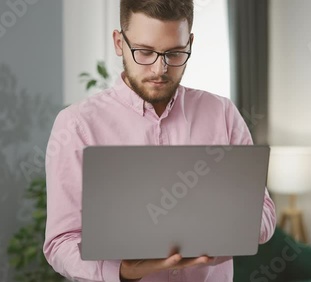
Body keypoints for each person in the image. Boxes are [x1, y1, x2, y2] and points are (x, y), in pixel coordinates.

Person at [43, 0, 276, 281]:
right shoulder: (77, 124)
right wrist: (123, 272)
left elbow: (264, 213)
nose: (159, 69)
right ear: (119, 42)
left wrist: (227, 233)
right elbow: (60, 242)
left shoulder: (223, 113)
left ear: (190, 43)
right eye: (144, 52)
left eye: (175, 53)